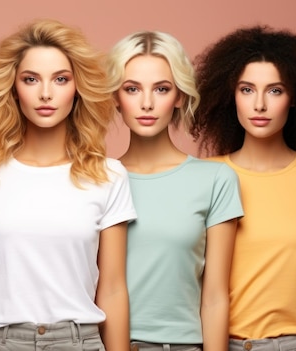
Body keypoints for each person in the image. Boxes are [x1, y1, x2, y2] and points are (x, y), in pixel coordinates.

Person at [0, 19, 137, 351]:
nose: (45, 93)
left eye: (60, 79)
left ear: (77, 89)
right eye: (31, 80)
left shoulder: (109, 175)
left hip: (79, 340)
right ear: (13, 87)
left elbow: (114, 289)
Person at [191, 26, 296, 351]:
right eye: (247, 90)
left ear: (294, 99)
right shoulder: (202, 177)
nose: (260, 104)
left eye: (275, 91)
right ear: (230, 95)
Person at [106, 31, 243, 351]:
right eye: (132, 89)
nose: (147, 103)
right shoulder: (98, 179)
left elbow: (214, 297)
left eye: (162, 89)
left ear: (180, 95)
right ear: (115, 97)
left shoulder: (215, 179)